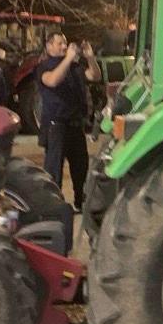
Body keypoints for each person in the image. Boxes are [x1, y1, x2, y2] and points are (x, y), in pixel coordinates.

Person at [37, 32, 101, 210]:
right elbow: (53, 81)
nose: (65, 47)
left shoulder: (74, 67)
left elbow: (95, 76)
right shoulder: (43, 67)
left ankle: (80, 201)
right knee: (54, 169)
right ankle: (52, 206)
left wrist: (90, 58)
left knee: (80, 167)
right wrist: (68, 59)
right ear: (49, 47)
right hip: (56, 126)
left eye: (65, 43)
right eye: (60, 44)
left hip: (75, 125)